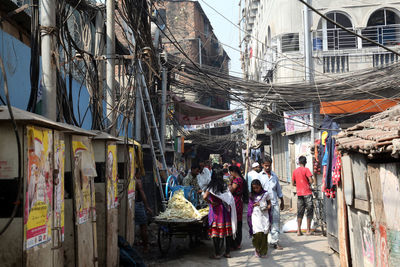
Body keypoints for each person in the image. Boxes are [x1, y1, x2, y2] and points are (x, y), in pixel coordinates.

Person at [203, 170, 237, 259]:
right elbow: (229, 197)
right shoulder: (224, 185)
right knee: (227, 232)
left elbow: (204, 196)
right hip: (225, 210)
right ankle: (227, 252)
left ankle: (217, 253)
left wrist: (210, 202)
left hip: (216, 211)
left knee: (216, 233)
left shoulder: (211, 187)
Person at [258, 157, 284, 250]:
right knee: (264, 224)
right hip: (264, 205)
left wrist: (282, 201)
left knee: (275, 223)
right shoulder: (259, 176)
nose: (268, 167)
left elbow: (278, 189)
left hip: (274, 203)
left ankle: (275, 242)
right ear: (262, 165)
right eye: (266, 165)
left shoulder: (274, 176)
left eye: (269, 165)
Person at [247, 179, 272, 258]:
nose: (256, 190)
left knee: (265, 233)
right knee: (257, 233)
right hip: (255, 216)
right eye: (254, 188)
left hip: (264, 216)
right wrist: (255, 205)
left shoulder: (265, 194)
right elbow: (250, 205)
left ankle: (263, 252)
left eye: (257, 187)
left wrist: (265, 206)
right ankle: (257, 249)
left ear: (260, 186)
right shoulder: (251, 195)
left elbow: (269, 204)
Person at [292, 156, 314, 236]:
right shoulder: (306, 170)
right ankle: (308, 230)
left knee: (300, 212)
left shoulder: (295, 171)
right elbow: (311, 181)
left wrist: (299, 185)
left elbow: (293, 183)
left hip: (299, 194)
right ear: (305, 162)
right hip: (307, 193)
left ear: (299, 162)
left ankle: (298, 230)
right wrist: (309, 182)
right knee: (309, 211)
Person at [228, 165, 248, 250]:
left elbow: (231, 190)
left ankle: (235, 243)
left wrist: (230, 183)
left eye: (230, 172)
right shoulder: (241, 179)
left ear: (233, 172)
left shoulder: (237, 180)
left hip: (235, 202)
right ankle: (237, 242)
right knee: (238, 222)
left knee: (234, 222)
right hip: (239, 201)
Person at [134, 170, 152, 253]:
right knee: (143, 227)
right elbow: (142, 194)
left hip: (133, 204)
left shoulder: (132, 180)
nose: (141, 175)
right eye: (140, 173)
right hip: (138, 205)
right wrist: (147, 206)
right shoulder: (137, 181)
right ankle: (146, 247)